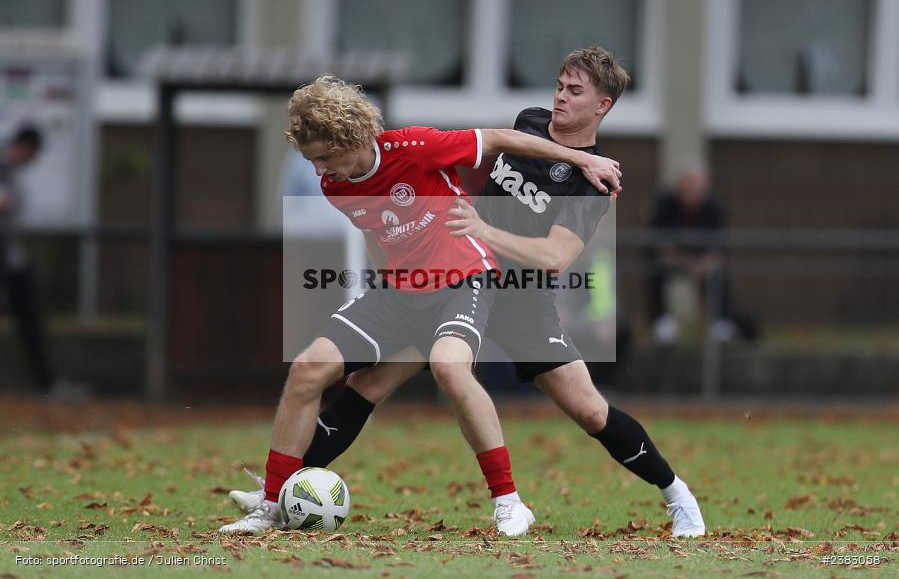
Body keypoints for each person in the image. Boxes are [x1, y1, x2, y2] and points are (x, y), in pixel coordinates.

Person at [229, 47, 706, 538]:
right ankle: (278, 494)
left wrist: (482, 227)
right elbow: (489, 144)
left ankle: (677, 494)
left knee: (587, 408)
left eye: (575, 91)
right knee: (366, 385)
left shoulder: (596, 184)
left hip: (518, 295)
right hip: (453, 276)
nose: (560, 97)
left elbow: (554, 258)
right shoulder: (532, 122)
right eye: (560, 85)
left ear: (602, 105)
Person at [0, 126, 73, 399]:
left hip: (13, 261)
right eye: (34, 152)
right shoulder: (3, 167)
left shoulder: (11, 171)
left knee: (31, 320)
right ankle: (46, 383)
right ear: (24, 147)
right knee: (28, 320)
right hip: (5, 261)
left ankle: (47, 383)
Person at [647, 164, 738, 344]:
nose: (692, 193)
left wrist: (704, 264)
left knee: (719, 275)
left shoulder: (715, 207)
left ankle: (720, 322)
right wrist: (684, 263)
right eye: (687, 187)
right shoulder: (665, 205)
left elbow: (720, 247)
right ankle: (662, 322)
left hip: (703, 263)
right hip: (673, 261)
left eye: (697, 188)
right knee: (654, 270)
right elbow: (657, 244)